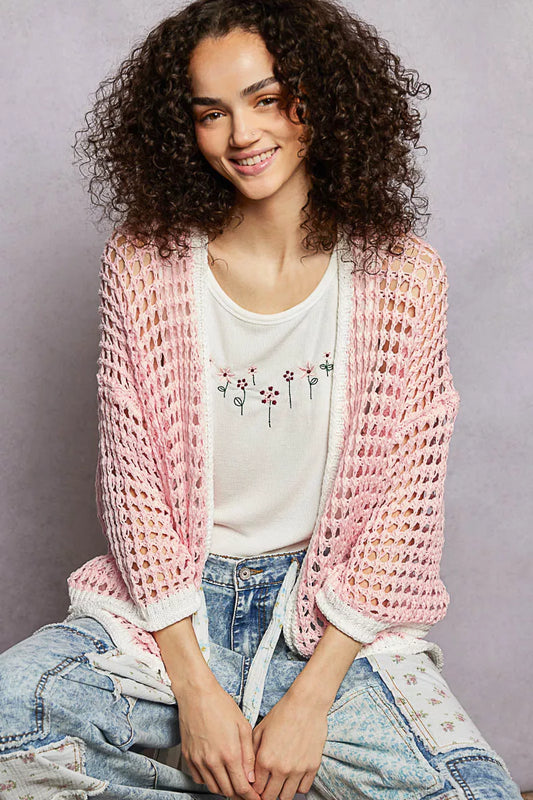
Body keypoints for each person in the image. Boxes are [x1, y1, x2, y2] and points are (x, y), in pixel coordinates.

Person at [0, 1, 524, 799]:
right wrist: (197, 692)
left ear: (321, 98)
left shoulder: (404, 277)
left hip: (329, 626)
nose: (242, 134)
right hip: (165, 618)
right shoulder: (142, 266)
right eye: (211, 113)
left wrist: (309, 701)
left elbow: (404, 507)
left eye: (267, 99)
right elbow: (134, 491)